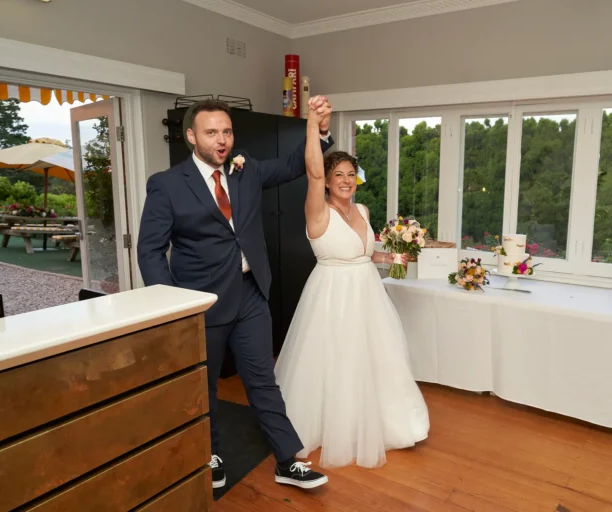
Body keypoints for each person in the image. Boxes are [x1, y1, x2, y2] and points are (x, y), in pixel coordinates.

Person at [137, 97, 333, 490]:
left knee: (263, 381)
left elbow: (295, 164)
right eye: (212, 132)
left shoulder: (246, 169)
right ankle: (206, 455)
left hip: (250, 296)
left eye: (226, 132)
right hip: (201, 304)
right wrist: (177, 307)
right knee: (202, 385)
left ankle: (286, 459)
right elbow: (150, 251)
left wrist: (319, 129)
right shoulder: (168, 185)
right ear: (191, 135)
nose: (221, 140)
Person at [274, 105, 430, 469]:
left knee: (375, 358)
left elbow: (364, 255)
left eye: (350, 174)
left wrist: (390, 258)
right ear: (327, 180)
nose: (345, 180)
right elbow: (312, 170)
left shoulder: (362, 210)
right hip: (332, 296)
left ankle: (381, 421)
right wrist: (313, 126)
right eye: (338, 174)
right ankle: (331, 425)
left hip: (367, 295)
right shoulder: (317, 210)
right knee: (334, 359)